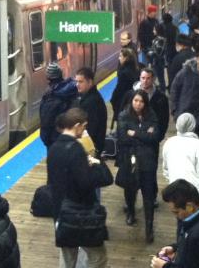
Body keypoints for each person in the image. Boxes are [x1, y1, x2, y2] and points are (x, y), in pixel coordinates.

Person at [47, 108, 111, 268]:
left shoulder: (54, 148)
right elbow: (85, 182)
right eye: (84, 126)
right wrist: (96, 166)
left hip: (60, 211)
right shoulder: (76, 150)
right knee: (98, 256)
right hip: (80, 213)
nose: (84, 130)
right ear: (76, 126)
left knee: (67, 257)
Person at [151, 179, 199, 268]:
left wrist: (165, 266)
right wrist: (176, 248)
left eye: (176, 212)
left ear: (189, 207)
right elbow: (194, 250)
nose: (176, 217)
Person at [116, 89, 159, 242]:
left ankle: (149, 228)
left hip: (148, 161)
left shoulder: (151, 115)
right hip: (130, 160)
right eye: (135, 101)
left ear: (145, 103)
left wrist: (135, 133)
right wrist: (144, 135)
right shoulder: (123, 115)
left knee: (148, 194)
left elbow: (155, 137)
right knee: (130, 189)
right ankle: (131, 212)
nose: (138, 104)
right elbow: (122, 138)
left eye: (141, 101)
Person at [162, 113, 199, 204]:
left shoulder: (169, 143)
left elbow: (166, 170)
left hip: (176, 196)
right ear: (193, 126)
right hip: (197, 198)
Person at [170, 52, 199, 141]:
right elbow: (174, 89)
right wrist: (174, 109)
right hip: (184, 112)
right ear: (196, 60)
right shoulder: (186, 71)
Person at [123, 68, 170, 142]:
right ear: (140, 78)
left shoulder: (161, 98)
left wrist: (158, 137)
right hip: (131, 140)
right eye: (143, 78)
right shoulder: (129, 95)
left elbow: (164, 119)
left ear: (153, 79)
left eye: (148, 78)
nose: (145, 81)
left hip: (151, 140)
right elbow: (122, 115)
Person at [39, 63, 78, 149]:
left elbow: (46, 121)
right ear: (61, 75)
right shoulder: (72, 89)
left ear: (49, 79)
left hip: (54, 139)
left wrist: (45, 139)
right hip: (71, 136)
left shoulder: (51, 97)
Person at [73, 67, 107, 157]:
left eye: (80, 82)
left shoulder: (92, 102)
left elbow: (91, 128)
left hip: (90, 147)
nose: (77, 84)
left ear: (90, 82)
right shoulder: (87, 97)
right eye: (76, 81)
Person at [109, 48, 139, 127]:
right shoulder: (136, 69)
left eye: (120, 56)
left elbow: (119, 89)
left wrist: (113, 99)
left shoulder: (123, 73)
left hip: (123, 101)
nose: (119, 58)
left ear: (126, 58)